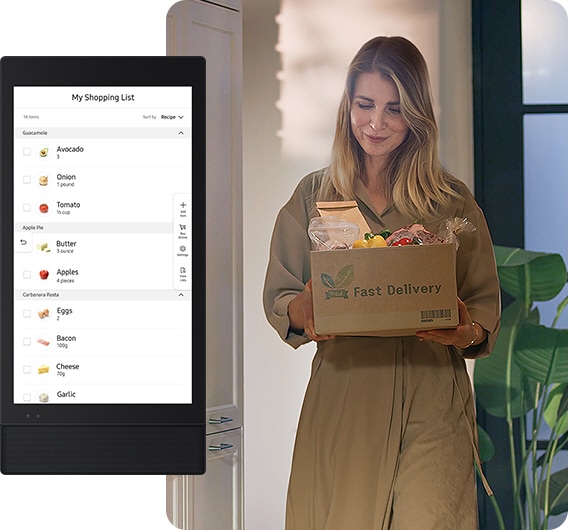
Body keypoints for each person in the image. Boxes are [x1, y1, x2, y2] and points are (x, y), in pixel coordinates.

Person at [263, 36, 501, 530]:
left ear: (416, 114)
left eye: (394, 109)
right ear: (347, 105)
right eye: (365, 104)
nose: (375, 123)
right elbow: (281, 297)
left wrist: (465, 331)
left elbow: (482, 308)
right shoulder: (313, 195)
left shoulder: (451, 202)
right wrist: (306, 311)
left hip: (431, 397)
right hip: (347, 393)